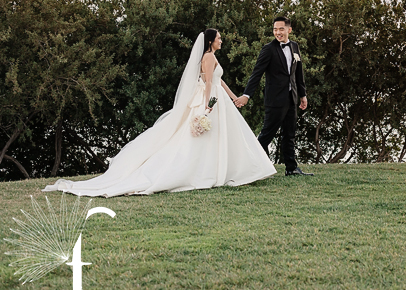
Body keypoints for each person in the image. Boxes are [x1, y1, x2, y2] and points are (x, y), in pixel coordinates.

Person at [44, 30, 276, 197]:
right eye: (219, 38)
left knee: (218, 138)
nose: (221, 41)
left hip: (218, 98)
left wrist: (234, 96)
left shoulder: (211, 57)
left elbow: (218, 80)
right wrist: (208, 107)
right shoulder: (208, 57)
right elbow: (207, 83)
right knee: (201, 140)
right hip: (210, 100)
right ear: (211, 41)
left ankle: (222, 171)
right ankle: (204, 172)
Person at [234, 16, 311, 176]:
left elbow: (298, 73)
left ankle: (291, 168)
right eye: (275, 29)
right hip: (275, 100)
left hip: (292, 98)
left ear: (289, 30)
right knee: (266, 135)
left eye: (281, 29)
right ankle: (252, 168)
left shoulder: (295, 47)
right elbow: (257, 73)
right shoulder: (268, 49)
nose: (278, 32)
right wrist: (246, 95)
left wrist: (302, 95)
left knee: (289, 134)